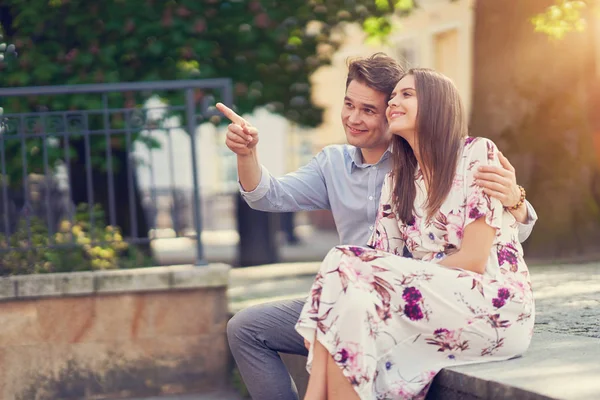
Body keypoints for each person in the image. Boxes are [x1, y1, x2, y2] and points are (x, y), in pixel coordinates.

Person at [217, 53, 537, 400]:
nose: (354, 118)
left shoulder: (470, 155)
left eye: (370, 109)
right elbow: (271, 197)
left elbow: (494, 244)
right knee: (259, 324)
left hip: (433, 297)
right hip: (364, 295)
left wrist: (517, 202)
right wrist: (247, 155)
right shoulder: (389, 178)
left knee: (344, 272)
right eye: (349, 105)